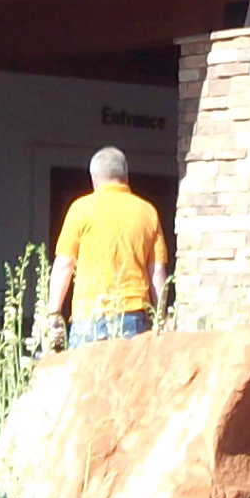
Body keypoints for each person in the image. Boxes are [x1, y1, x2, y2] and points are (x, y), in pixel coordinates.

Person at [42, 147, 167, 349]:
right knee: (129, 380)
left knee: (85, 380)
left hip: (89, 316)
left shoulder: (80, 209)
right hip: (133, 316)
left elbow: (65, 264)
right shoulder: (147, 211)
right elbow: (157, 271)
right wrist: (161, 317)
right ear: (126, 175)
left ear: (94, 178)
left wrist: (53, 314)